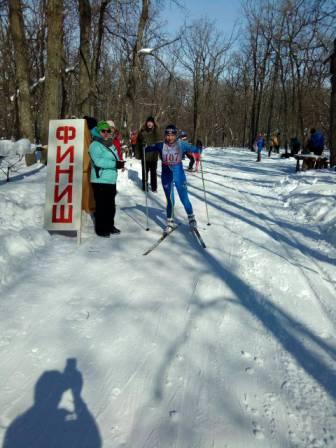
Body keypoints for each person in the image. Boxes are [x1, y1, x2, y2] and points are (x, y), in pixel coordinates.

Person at [145, 124, 199, 233]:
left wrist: (198, 149)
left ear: (175, 135)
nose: (170, 138)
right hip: (166, 176)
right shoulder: (161, 145)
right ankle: (170, 222)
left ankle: (191, 218)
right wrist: (144, 147)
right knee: (170, 200)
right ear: (165, 135)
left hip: (179, 175)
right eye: (167, 135)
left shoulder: (181, 144)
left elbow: (194, 149)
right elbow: (148, 148)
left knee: (184, 198)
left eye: (172, 135)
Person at [89, 120, 124, 237]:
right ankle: (100, 229)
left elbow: (115, 157)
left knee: (110, 206)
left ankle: (109, 225)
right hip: (100, 180)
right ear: (98, 131)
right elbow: (98, 161)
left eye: (108, 131)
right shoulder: (94, 145)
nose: (106, 133)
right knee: (101, 206)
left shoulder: (111, 143)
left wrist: (120, 163)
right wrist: (115, 164)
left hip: (111, 179)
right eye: (103, 131)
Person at [136, 116, 161, 192]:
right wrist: (138, 154)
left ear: (153, 123)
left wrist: (161, 154)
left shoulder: (156, 132)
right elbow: (138, 144)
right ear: (146, 123)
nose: (149, 124)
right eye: (148, 122)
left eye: (151, 122)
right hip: (145, 156)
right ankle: (145, 186)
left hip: (153, 156)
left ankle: (154, 187)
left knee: (153, 172)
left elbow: (159, 143)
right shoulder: (142, 132)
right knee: (145, 172)